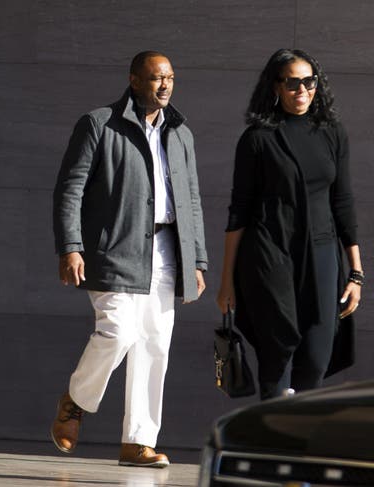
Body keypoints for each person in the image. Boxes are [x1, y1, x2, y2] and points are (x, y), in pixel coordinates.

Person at [51, 51, 207, 467]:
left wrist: (197, 260)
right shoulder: (99, 124)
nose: (165, 85)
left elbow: (190, 200)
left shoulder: (180, 132)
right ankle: (75, 401)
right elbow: (71, 189)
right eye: (157, 78)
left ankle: (138, 441)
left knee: (155, 345)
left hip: (165, 252)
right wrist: (70, 245)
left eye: (171, 77)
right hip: (114, 249)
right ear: (135, 80)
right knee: (118, 333)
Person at [216, 48, 363, 400]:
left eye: (309, 82)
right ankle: (272, 444)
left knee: (316, 356)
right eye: (292, 83)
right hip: (270, 255)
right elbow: (239, 211)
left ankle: (298, 441)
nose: (302, 91)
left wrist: (356, 272)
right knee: (277, 354)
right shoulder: (257, 138)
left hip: (323, 254)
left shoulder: (332, 133)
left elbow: (342, 202)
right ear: (276, 87)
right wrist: (227, 281)